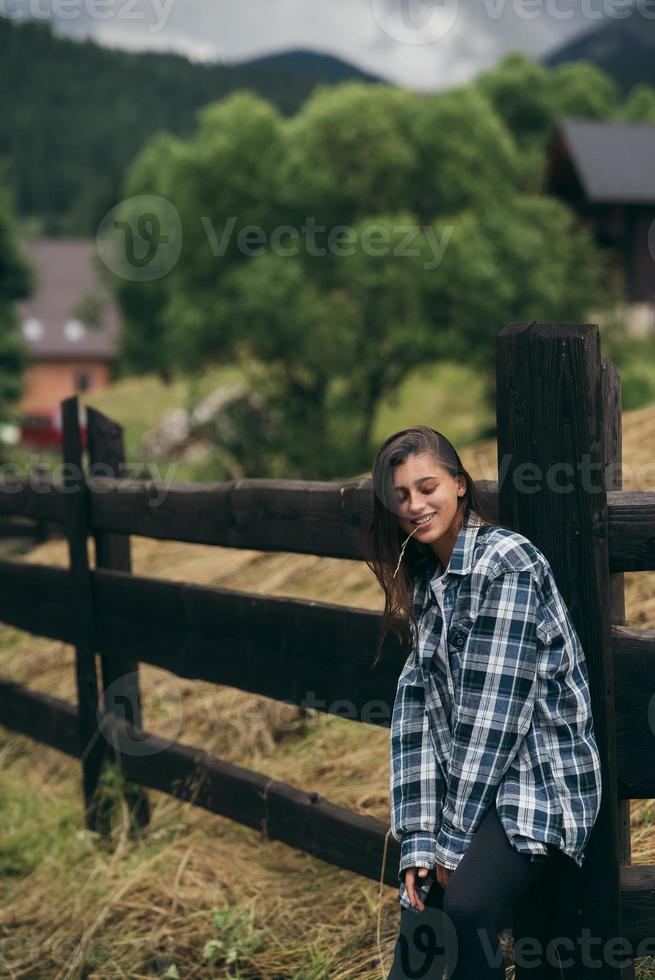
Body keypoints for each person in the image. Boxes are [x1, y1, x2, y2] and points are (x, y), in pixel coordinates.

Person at [362, 425, 603, 979]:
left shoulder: (507, 564)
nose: (416, 505)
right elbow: (416, 718)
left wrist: (451, 843)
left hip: (539, 777)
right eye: (401, 497)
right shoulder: (428, 584)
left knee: (466, 906)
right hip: (473, 784)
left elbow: (494, 720)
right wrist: (421, 842)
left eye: (428, 487)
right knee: (421, 905)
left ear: (461, 486)